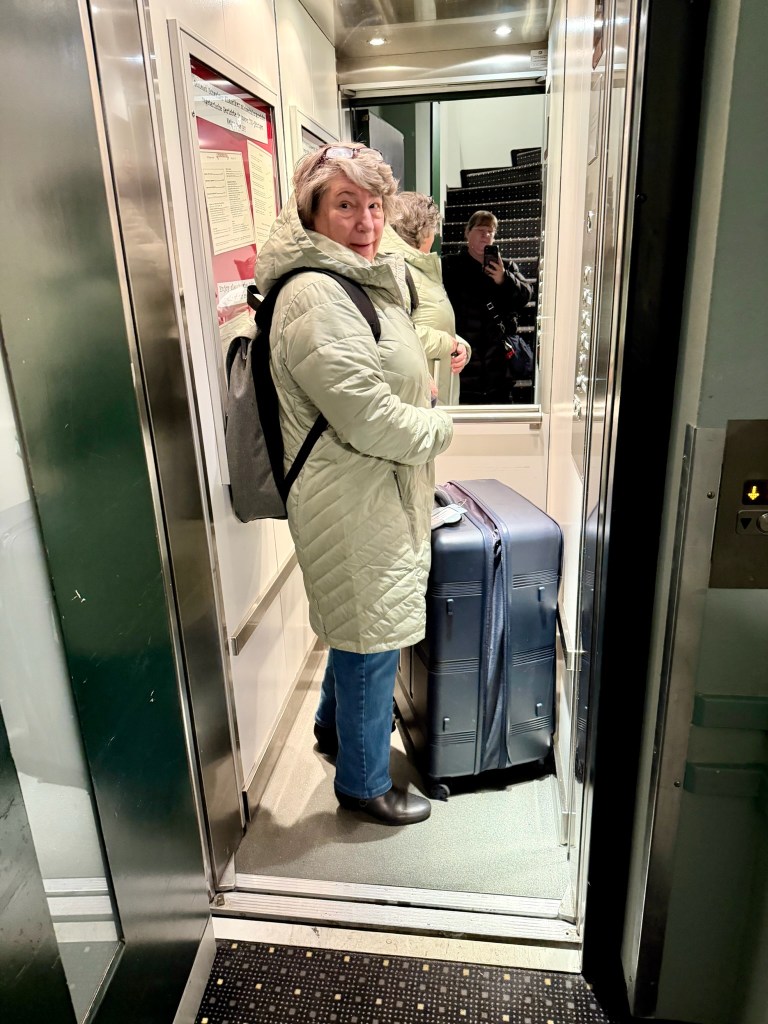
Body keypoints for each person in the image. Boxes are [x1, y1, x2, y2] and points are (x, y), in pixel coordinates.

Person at [254, 144, 454, 826]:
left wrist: (416, 380)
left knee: (357, 621)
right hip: (353, 493)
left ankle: (331, 729)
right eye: (346, 205)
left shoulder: (354, 275)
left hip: (367, 488)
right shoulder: (315, 294)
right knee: (372, 637)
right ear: (311, 212)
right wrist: (436, 427)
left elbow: (378, 366)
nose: (367, 221)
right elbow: (367, 416)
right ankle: (364, 786)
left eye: (374, 205)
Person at [379, 192, 470, 404]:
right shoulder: (395, 268)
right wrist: (446, 343)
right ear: (423, 229)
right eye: (433, 229)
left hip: (433, 397)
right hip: (418, 401)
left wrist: (460, 345)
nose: (435, 236)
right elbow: (392, 333)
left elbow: (430, 322)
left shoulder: (421, 268)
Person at [442, 210, 533, 405]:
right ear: (467, 232)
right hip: (463, 358)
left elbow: (525, 296)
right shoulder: (450, 265)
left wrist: (504, 279)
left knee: (500, 415)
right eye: (481, 230)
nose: (486, 235)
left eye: (490, 232)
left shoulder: (506, 267)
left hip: (498, 363)